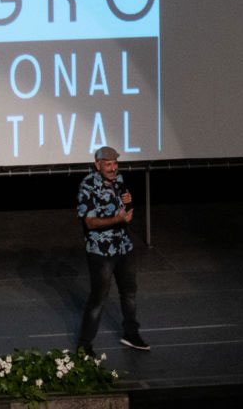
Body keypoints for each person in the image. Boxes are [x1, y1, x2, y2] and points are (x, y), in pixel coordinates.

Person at [75, 145, 149, 355]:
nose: (113, 168)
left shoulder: (119, 181)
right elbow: (89, 222)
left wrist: (129, 204)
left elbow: (126, 213)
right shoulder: (88, 186)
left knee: (129, 293)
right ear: (98, 165)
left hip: (123, 246)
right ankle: (84, 345)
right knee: (98, 298)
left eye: (115, 163)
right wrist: (117, 219)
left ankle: (131, 334)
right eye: (108, 164)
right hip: (101, 251)